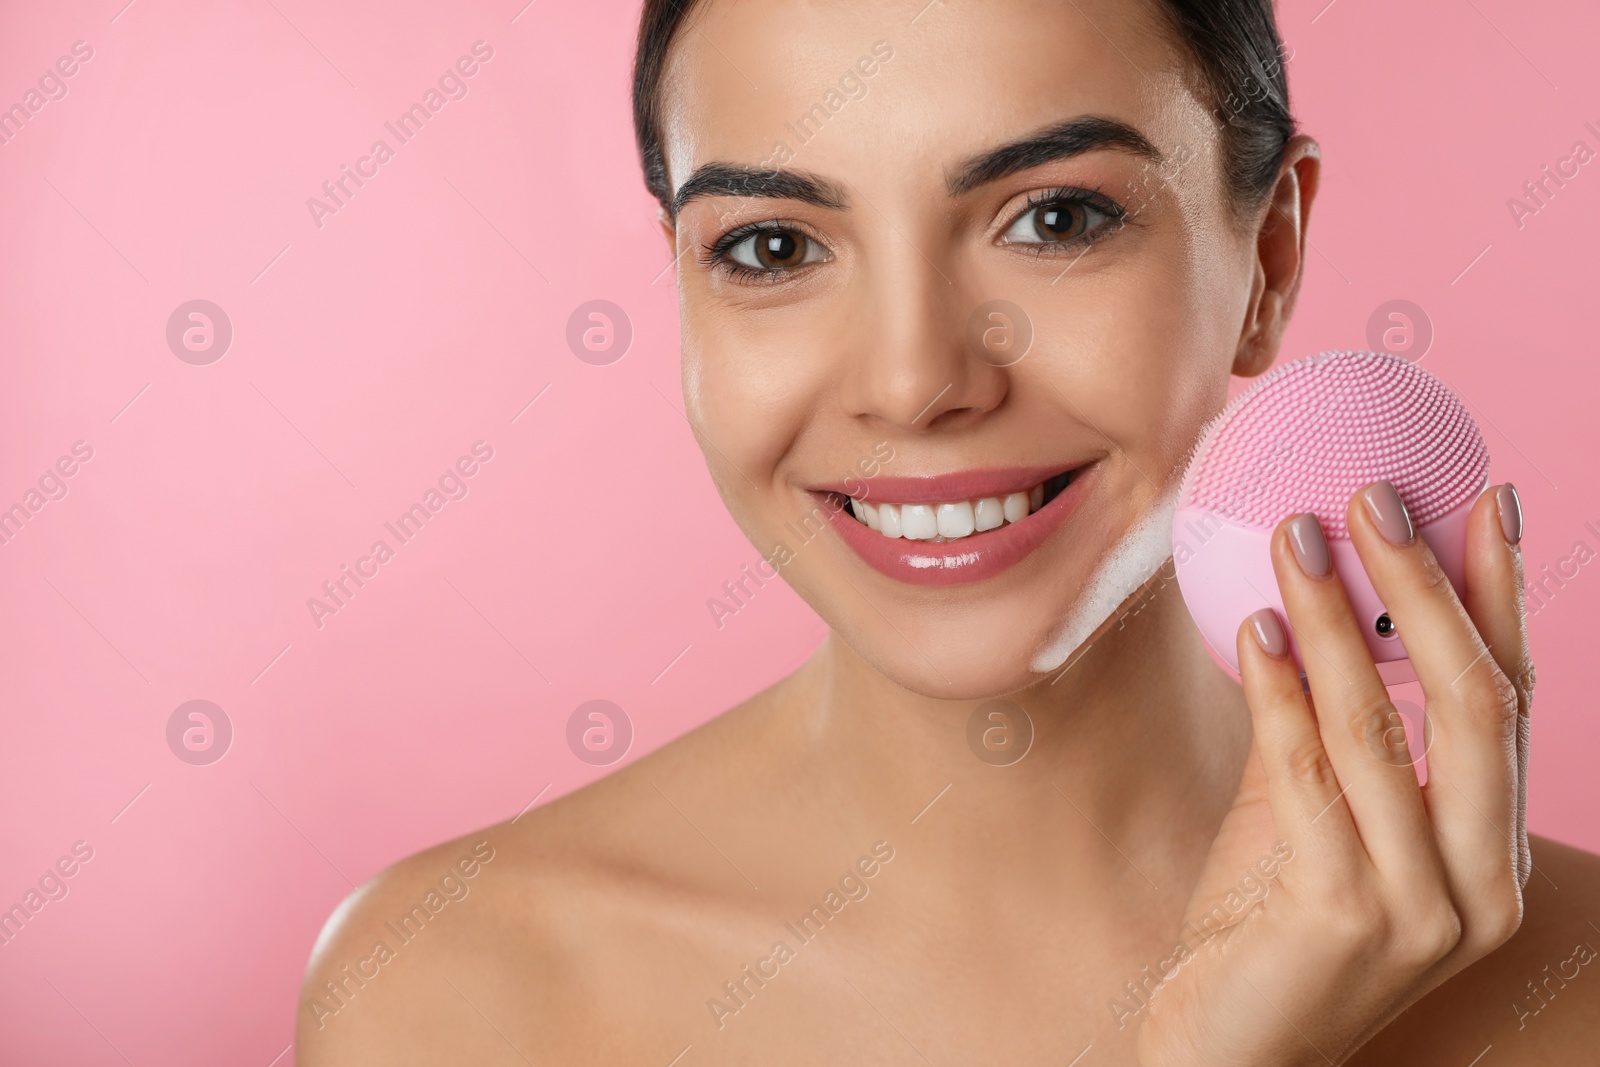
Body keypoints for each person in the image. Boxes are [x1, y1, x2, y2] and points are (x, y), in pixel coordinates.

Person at [298, 0, 1600, 1061]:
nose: (917, 382)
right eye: (769, 247)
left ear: (1267, 256)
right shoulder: (450, 999)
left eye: (1056, 217)